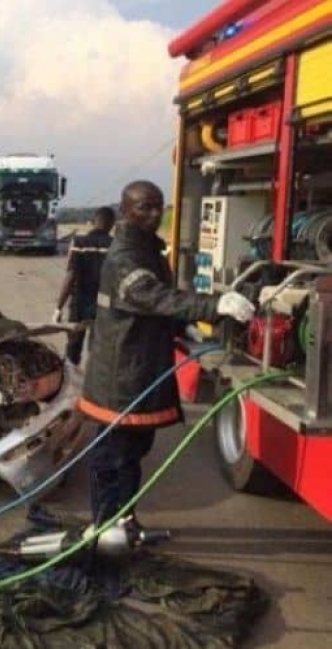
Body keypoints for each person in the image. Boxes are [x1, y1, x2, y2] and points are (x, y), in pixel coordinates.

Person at [78, 180, 255, 532]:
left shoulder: (147, 251)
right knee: (112, 456)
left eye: (158, 206)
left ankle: (123, 521)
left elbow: (159, 307)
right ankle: (101, 526)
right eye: (145, 207)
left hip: (138, 370)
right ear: (125, 210)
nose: (155, 213)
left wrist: (180, 327)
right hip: (120, 377)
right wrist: (213, 305)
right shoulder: (125, 258)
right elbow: (154, 296)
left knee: (132, 454)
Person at [53, 206, 116, 365]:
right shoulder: (114, 246)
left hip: (79, 303)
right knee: (98, 350)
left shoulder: (79, 242)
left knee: (73, 347)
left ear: (93, 222)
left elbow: (70, 276)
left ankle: (71, 379)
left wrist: (58, 308)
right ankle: (92, 385)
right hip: (104, 305)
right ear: (112, 224)